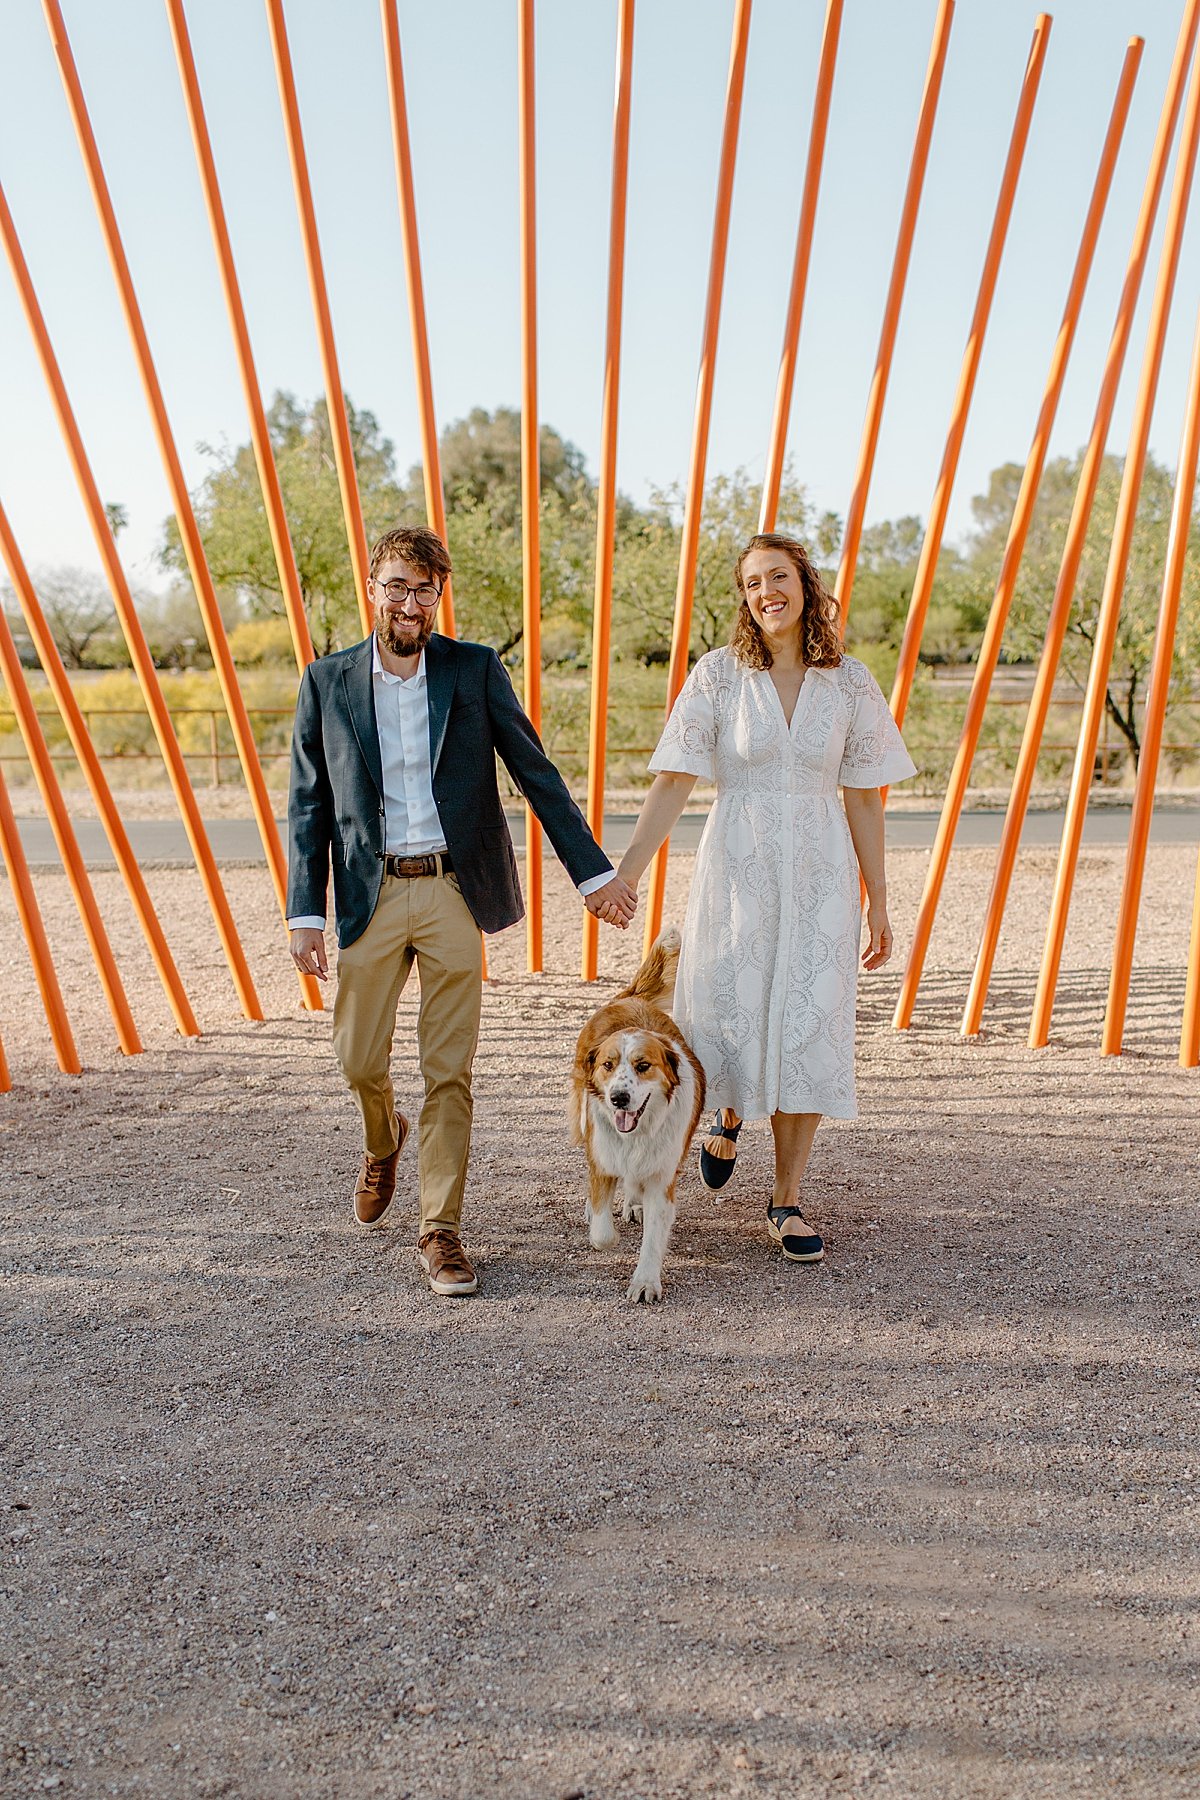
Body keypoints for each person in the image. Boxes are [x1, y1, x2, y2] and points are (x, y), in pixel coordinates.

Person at [287, 524, 637, 1297]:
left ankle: (439, 1229)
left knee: (449, 1072)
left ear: (437, 596)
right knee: (356, 1059)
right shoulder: (327, 681)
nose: (411, 603)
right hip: (367, 895)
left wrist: (593, 878)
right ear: (372, 589)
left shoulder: (474, 670)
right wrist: (303, 912)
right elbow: (309, 804)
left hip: (452, 890)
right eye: (398, 587)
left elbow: (535, 774)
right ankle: (384, 1137)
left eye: (425, 590)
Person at [615, 532, 915, 1264]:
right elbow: (675, 781)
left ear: (806, 585)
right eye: (751, 583)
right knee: (726, 1009)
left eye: (777, 577)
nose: (764, 592)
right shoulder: (718, 677)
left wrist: (879, 901)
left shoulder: (850, 683)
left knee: (809, 1020)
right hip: (737, 871)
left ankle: (785, 1199)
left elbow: (867, 803)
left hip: (820, 875)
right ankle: (725, 1116)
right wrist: (626, 873)